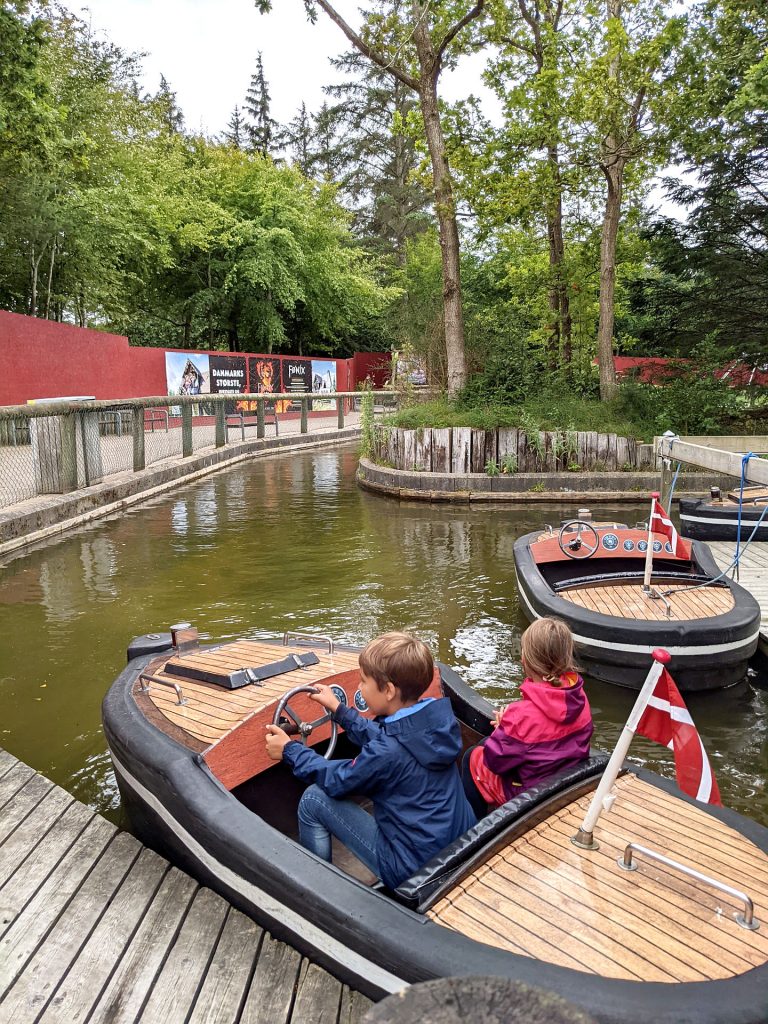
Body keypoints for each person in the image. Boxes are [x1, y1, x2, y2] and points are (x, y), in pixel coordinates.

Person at [265, 632, 476, 889]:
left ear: (388, 690)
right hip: (458, 847)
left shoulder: (387, 752)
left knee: (313, 799)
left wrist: (290, 750)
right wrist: (340, 711)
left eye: (363, 681)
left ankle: (319, 890)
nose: (360, 687)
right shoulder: (435, 720)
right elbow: (389, 738)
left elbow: (338, 780)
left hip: (413, 871)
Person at [461, 617, 593, 817]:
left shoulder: (520, 716)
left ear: (526, 661)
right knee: (486, 742)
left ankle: (477, 828)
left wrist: (503, 727)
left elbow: (494, 761)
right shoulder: (580, 698)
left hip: (529, 793)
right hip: (563, 779)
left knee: (472, 757)